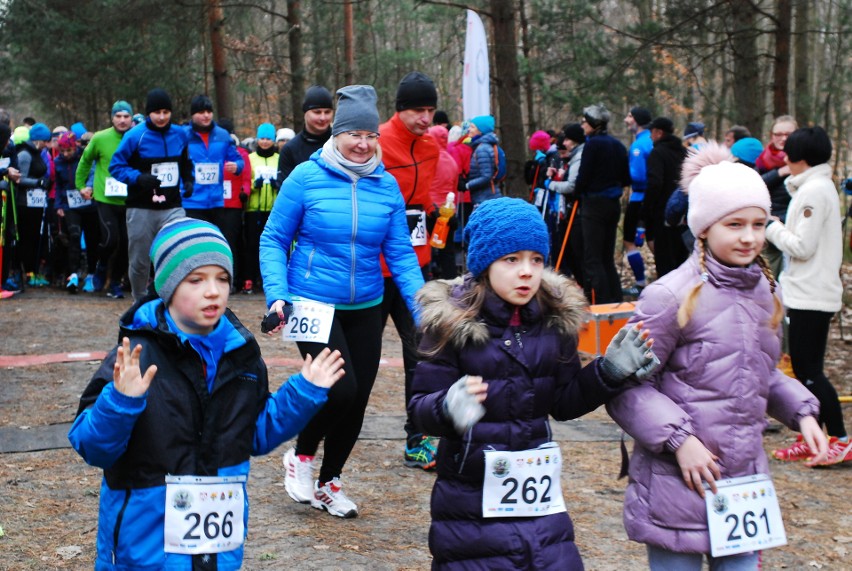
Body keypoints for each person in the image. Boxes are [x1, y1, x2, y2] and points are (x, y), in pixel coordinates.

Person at [68, 217, 343, 569]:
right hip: (146, 549)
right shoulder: (135, 356)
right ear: (167, 286)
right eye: (196, 279)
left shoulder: (241, 355)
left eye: (222, 278)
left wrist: (302, 393)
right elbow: (93, 446)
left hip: (218, 551)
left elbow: (255, 434)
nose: (213, 290)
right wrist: (121, 402)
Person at [606, 143, 829, 570]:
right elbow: (627, 386)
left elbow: (760, 374)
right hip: (679, 484)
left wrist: (802, 412)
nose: (749, 237)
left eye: (759, 224)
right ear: (705, 227)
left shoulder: (767, 292)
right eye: (735, 224)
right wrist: (680, 441)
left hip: (743, 487)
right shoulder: (668, 297)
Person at [408, 197, 658, 569]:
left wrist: (609, 372)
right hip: (470, 501)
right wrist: (447, 407)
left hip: (539, 500)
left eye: (536, 260)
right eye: (511, 259)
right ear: (484, 263)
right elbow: (419, 410)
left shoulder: (553, 322)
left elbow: (563, 401)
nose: (526, 271)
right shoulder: (450, 324)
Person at [260, 85, 425, 518]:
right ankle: (301, 455)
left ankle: (331, 482)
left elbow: (401, 254)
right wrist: (278, 297)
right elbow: (274, 238)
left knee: (358, 396)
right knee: (339, 388)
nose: (363, 144)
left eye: (371, 136)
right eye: (355, 135)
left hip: (366, 302)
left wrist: (425, 306)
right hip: (311, 301)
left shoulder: (385, 185)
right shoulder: (306, 177)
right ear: (337, 133)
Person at [765, 126, 850, 465]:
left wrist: (772, 227)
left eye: (789, 152)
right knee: (803, 369)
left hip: (811, 295)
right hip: (804, 291)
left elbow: (802, 246)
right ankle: (811, 435)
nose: (783, 157)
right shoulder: (814, 186)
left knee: (810, 370)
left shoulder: (815, 191)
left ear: (801, 158)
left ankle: (840, 439)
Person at [378, 70, 440, 469]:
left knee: (422, 349)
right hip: (370, 268)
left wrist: (435, 223)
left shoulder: (431, 146)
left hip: (412, 267)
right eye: (418, 110)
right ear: (400, 109)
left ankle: (418, 437)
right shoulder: (377, 142)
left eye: (431, 110)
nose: (426, 118)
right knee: (357, 363)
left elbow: (423, 203)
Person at [109, 88, 192, 302]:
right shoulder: (135, 136)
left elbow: (184, 162)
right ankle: (139, 301)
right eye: (157, 112)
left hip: (172, 206)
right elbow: (116, 166)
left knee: (176, 252)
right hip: (141, 208)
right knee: (140, 260)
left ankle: (172, 299)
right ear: (148, 113)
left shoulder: (181, 134)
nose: (162, 117)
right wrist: (137, 178)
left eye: (166, 112)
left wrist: (188, 179)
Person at [76, 100, 134, 298]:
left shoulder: (138, 137)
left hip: (130, 200)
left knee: (127, 244)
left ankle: (116, 282)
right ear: (112, 118)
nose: (122, 120)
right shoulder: (100, 138)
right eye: (118, 116)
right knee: (110, 240)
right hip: (105, 198)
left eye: (126, 116)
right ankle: (101, 267)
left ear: (132, 118)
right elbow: (85, 161)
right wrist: (81, 186)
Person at [575, 103, 630, 304]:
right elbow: (626, 178)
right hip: (612, 204)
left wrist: (578, 190)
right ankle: (615, 300)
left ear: (593, 124)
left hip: (594, 204)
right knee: (607, 257)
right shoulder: (617, 145)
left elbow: (582, 177)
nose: (582, 125)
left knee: (593, 257)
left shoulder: (593, 145)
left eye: (584, 121)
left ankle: (602, 303)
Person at [183, 94, 244, 226]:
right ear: (193, 115)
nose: (206, 115)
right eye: (201, 112)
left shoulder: (223, 135)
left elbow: (239, 160)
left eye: (209, 112)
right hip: (191, 202)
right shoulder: (183, 136)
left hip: (216, 201)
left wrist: (236, 166)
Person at [642, 117, 689, 277]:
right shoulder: (685, 152)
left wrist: (646, 209)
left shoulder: (657, 153)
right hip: (683, 215)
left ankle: (667, 297)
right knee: (681, 261)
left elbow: (654, 183)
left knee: (665, 262)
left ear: (659, 133)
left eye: (651, 132)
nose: (649, 136)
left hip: (662, 214)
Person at [54, 132, 99, 294]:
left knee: (92, 239)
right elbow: (58, 185)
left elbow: (94, 173)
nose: (66, 155)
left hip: (89, 203)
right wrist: (58, 205)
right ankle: (72, 275)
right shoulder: (58, 162)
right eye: (62, 151)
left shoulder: (85, 157)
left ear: (75, 147)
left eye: (69, 151)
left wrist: (88, 188)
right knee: (73, 237)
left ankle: (91, 275)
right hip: (70, 205)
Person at [756, 115, 798, 281]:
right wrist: (779, 172)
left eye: (788, 134)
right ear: (771, 135)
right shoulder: (762, 160)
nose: (783, 138)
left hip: (791, 230)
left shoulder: (803, 160)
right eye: (778, 134)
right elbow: (755, 186)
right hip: (766, 226)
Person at [545, 123, 586, 286]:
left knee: (576, 253)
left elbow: (572, 186)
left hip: (575, 212)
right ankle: (581, 284)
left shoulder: (578, 158)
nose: (562, 153)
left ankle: (587, 288)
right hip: (564, 212)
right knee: (569, 252)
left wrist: (550, 184)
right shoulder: (569, 159)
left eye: (566, 145)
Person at [14, 122, 52, 287]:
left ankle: (34, 271)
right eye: (45, 141)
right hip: (24, 204)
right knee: (28, 238)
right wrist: (38, 182)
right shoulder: (25, 154)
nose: (47, 144)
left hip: (36, 202)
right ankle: (28, 272)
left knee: (36, 238)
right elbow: (19, 178)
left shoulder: (37, 152)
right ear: (38, 139)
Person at [244, 122, 280, 294]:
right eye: (262, 138)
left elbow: (285, 181)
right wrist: (253, 185)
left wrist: (277, 185)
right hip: (254, 209)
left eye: (268, 139)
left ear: (273, 140)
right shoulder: (251, 159)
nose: (265, 142)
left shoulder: (278, 159)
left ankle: (267, 279)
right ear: (257, 139)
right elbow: (245, 181)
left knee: (272, 246)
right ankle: (250, 278)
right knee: (252, 245)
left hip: (273, 209)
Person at [622, 106, 653, 296]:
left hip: (640, 198)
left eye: (629, 116)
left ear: (637, 121)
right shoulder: (651, 140)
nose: (626, 120)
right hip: (653, 199)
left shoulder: (639, 146)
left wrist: (622, 177)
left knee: (629, 241)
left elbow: (639, 177)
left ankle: (641, 284)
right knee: (653, 241)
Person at [276, 85, 333, 184]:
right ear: (305, 113)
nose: (323, 118)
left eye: (327, 112)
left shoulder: (340, 143)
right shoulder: (290, 150)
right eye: (317, 112)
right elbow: (285, 192)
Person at [426, 124, 460, 280]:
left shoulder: (429, 159)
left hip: (430, 210)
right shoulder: (452, 161)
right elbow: (454, 188)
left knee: (428, 250)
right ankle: (450, 283)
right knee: (448, 252)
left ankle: (429, 281)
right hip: (448, 211)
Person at [464, 114, 504, 205]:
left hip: (486, 198)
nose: (469, 129)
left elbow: (486, 176)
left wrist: (467, 185)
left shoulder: (482, 149)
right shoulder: (482, 146)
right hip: (486, 197)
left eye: (472, 127)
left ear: (481, 130)